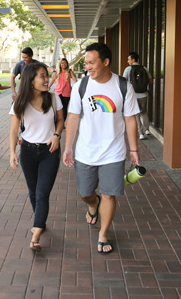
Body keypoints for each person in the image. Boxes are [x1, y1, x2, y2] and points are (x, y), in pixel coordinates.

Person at [62, 43, 140, 254]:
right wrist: (68, 147)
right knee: (86, 193)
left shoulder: (123, 86)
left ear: (106, 62)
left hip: (113, 152)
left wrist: (133, 150)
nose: (87, 67)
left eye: (92, 62)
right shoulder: (82, 86)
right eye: (86, 63)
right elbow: (73, 117)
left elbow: (130, 119)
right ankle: (92, 203)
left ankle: (103, 234)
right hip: (85, 151)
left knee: (109, 194)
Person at [9, 62, 64, 251]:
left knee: (42, 193)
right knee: (33, 192)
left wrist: (57, 135)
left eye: (46, 75)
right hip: (28, 152)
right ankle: (39, 219)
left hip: (50, 151)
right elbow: (13, 130)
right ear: (31, 80)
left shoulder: (54, 99)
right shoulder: (19, 102)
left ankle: (37, 232)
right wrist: (11, 153)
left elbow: (60, 120)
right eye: (42, 76)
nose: (46, 79)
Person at [122, 52, 152, 139]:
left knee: (137, 114)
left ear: (133, 59)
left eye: (129, 59)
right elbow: (150, 81)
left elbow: (124, 82)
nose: (128, 61)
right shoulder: (144, 68)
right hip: (144, 94)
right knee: (144, 112)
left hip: (133, 95)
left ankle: (141, 133)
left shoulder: (128, 69)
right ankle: (147, 129)